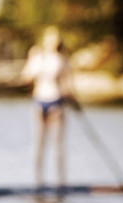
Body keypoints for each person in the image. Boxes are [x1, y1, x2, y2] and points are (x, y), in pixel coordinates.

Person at [21, 26, 75, 189]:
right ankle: (39, 180)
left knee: (55, 144)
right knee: (40, 143)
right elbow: (26, 78)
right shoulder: (40, 58)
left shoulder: (59, 59)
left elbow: (68, 84)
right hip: (41, 102)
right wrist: (30, 58)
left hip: (54, 103)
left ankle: (60, 180)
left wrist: (72, 97)